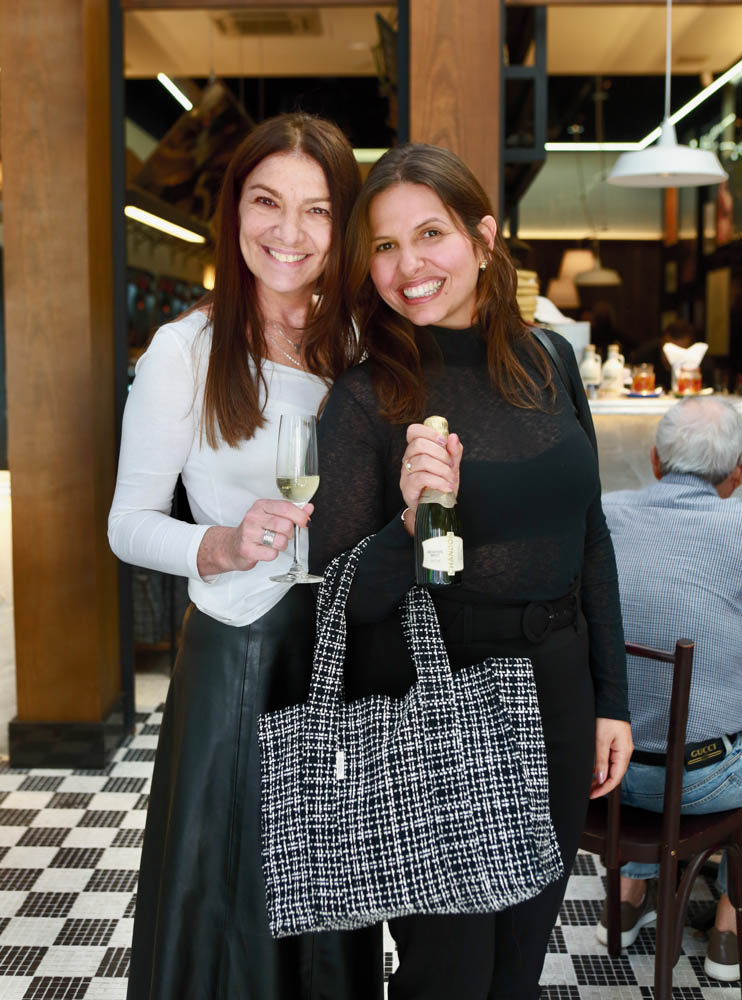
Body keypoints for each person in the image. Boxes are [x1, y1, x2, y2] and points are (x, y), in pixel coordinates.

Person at [309, 143, 633, 1000]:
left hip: (557, 686)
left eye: (431, 234)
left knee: (520, 963)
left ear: (484, 238)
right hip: (431, 693)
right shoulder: (365, 398)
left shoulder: (551, 360)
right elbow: (340, 596)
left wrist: (612, 699)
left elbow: (591, 536)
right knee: (448, 976)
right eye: (384, 246)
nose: (408, 265)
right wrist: (410, 523)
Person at [108, 113, 383, 1000]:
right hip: (242, 655)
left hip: (344, 657)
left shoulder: (364, 348)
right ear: (234, 212)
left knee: (328, 909)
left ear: (344, 225)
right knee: (235, 911)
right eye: (267, 202)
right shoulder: (185, 351)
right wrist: (220, 544)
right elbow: (127, 524)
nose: (288, 232)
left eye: (317, 210)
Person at [597, 395, 742, 981]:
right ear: (737, 473)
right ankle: (729, 930)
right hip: (703, 782)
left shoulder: (603, 514)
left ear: (655, 461)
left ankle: (629, 895)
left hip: (602, 771)